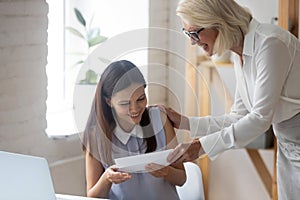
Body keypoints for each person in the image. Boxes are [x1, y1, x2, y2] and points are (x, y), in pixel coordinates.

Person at [162, 0, 300, 199]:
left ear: (218, 23)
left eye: (194, 33)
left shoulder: (270, 43)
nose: (192, 41)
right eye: (187, 34)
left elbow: (260, 118)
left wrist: (201, 146)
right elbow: (239, 116)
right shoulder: (240, 53)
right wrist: (185, 122)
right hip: (288, 147)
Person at [82, 60, 186, 200]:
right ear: (108, 102)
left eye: (141, 99)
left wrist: (166, 172)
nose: (135, 109)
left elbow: (181, 178)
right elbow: (92, 196)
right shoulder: (96, 137)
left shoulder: (160, 120)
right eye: (125, 103)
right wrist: (107, 178)